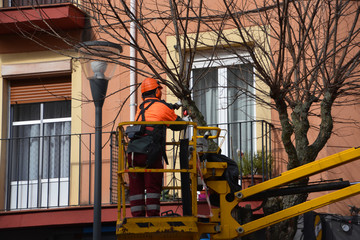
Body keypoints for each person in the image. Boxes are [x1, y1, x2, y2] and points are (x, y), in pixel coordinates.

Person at [126, 77, 186, 217]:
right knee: (153, 184)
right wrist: (185, 121)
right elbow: (178, 125)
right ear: (157, 92)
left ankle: (137, 217)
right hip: (149, 152)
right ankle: (152, 215)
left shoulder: (140, 110)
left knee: (136, 187)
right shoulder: (161, 107)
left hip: (133, 153)